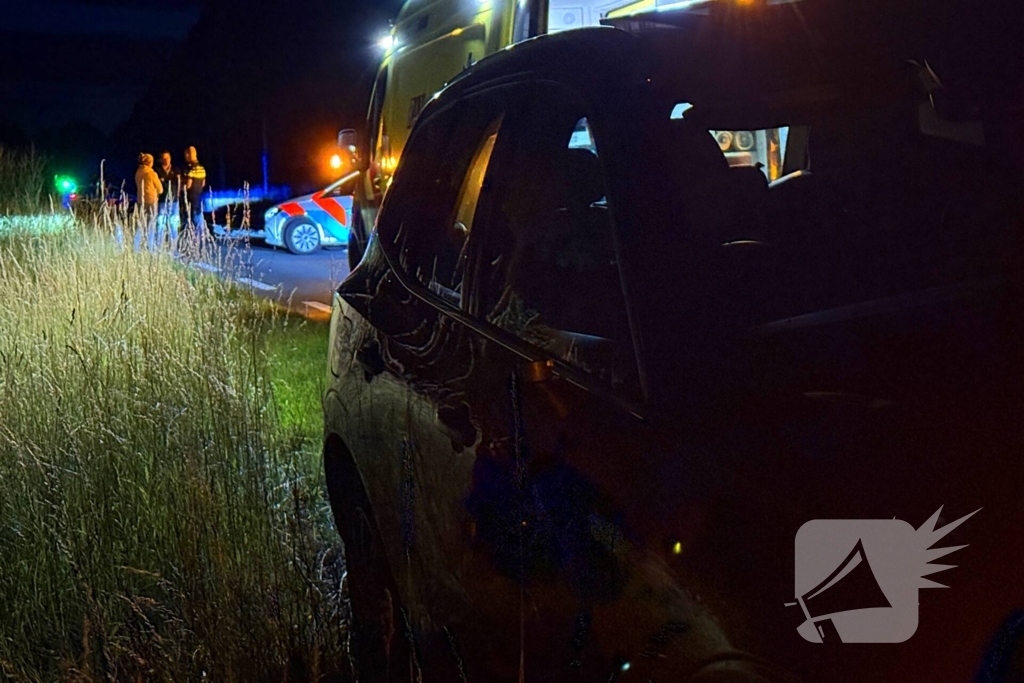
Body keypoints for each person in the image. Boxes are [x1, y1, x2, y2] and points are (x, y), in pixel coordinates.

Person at [134, 153, 163, 251]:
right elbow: (160, 189)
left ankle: (136, 246)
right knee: (151, 225)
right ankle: (150, 248)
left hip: (140, 201)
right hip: (151, 202)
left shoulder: (138, 172)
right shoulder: (151, 173)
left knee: (141, 224)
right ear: (150, 162)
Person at [181, 146, 208, 244]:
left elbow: (188, 185)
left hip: (191, 198)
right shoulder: (202, 168)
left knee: (191, 219)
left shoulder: (191, 169)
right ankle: (200, 237)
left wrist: (180, 187)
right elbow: (203, 183)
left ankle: (191, 239)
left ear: (188, 154)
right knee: (199, 217)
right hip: (199, 196)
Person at [155, 151, 181, 250]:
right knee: (161, 223)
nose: (166, 160)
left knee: (174, 223)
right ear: (161, 159)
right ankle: (159, 245)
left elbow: (178, 183)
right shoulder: (157, 171)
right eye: (164, 158)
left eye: (168, 158)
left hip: (174, 200)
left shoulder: (176, 169)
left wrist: (178, 195)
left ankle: (174, 245)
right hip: (162, 200)